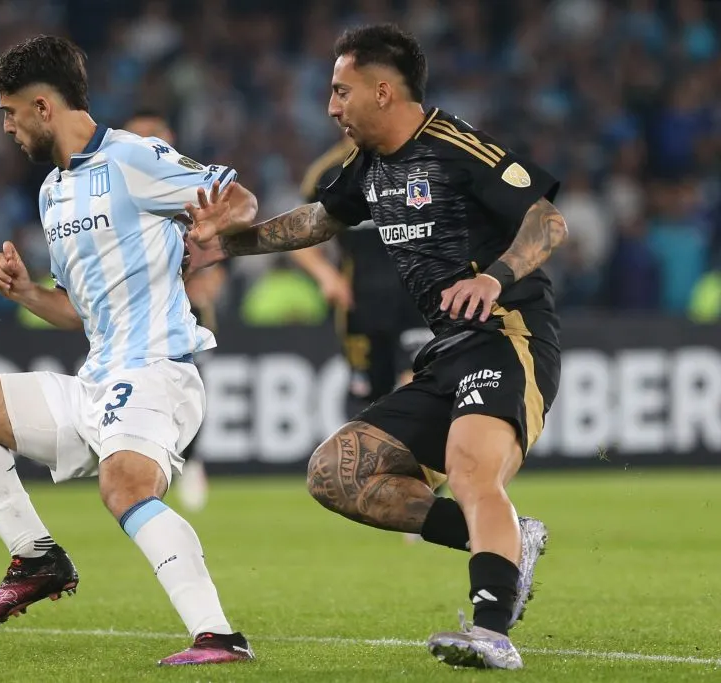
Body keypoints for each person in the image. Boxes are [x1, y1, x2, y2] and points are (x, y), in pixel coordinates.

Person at [184, 24, 568, 670]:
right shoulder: (368, 167)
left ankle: (492, 628)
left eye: (341, 91)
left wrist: (492, 276)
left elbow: (547, 218)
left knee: (471, 465)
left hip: (507, 334)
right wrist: (232, 243)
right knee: (337, 473)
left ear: (384, 92)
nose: (331, 106)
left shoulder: (453, 145)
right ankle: (508, 541)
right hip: (446, 349)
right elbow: (318, 220)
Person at [0, 36, 255, 667]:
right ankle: (38, 559)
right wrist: (26, 294)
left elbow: (237, 198)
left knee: (124, 483)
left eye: (10, 111)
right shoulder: (53, 192)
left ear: (44, 106)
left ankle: (218, 637)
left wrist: (217, 222)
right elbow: (80, 313)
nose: (7, 126)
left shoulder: (134, 158)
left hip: (158, 372)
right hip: (97, 381)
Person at [292, 137, 441, 543]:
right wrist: (328, 276)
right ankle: (400, 494)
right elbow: (301, 232)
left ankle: (421, 490)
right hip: (361, 305)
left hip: (418, 300)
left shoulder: (416, 159)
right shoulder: (328, 172)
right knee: (374, 401)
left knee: (417, 382)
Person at [122, 109, 225, 513]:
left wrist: (202, 278)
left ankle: (190, 460)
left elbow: (218, 244)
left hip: (182, 309)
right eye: (136, 137)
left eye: (151, 136)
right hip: (133, 314)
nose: (144, 145)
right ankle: (146, 463)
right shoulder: (118, 194)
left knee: (187, 387)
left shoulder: (184, 186)